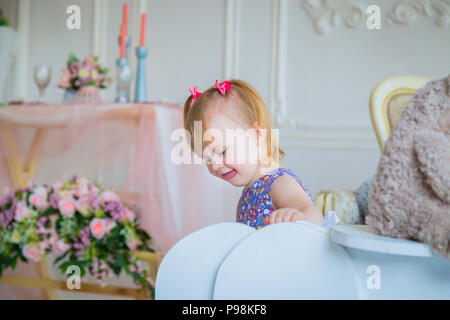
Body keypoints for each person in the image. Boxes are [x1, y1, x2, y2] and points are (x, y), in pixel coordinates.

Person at [183, 79, 325, 230]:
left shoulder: (279, 183)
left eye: (222, 151)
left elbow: (315, 217)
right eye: (208, 158)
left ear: (256, 135)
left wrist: (295, 217)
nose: (215, 165)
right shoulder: (251, 191)